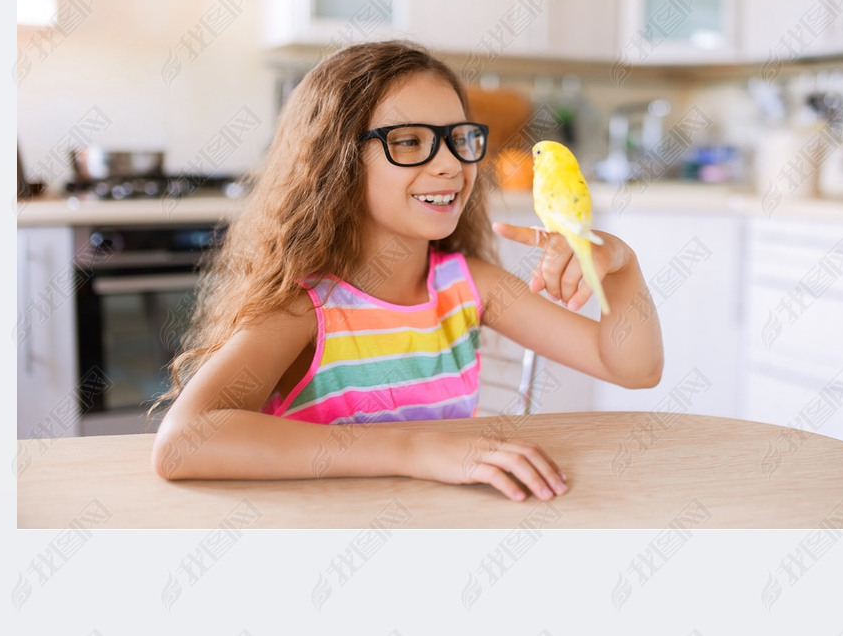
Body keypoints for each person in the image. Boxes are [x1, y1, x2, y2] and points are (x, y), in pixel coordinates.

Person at [150, 41, 663, 500]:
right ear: (339, 162)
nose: (449, 165)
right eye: (410, 142)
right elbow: (182, 443)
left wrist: (622, 268)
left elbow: (633, 368)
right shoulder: (304, 308)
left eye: (458, 139)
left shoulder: (468, 286)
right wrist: (415, 451)